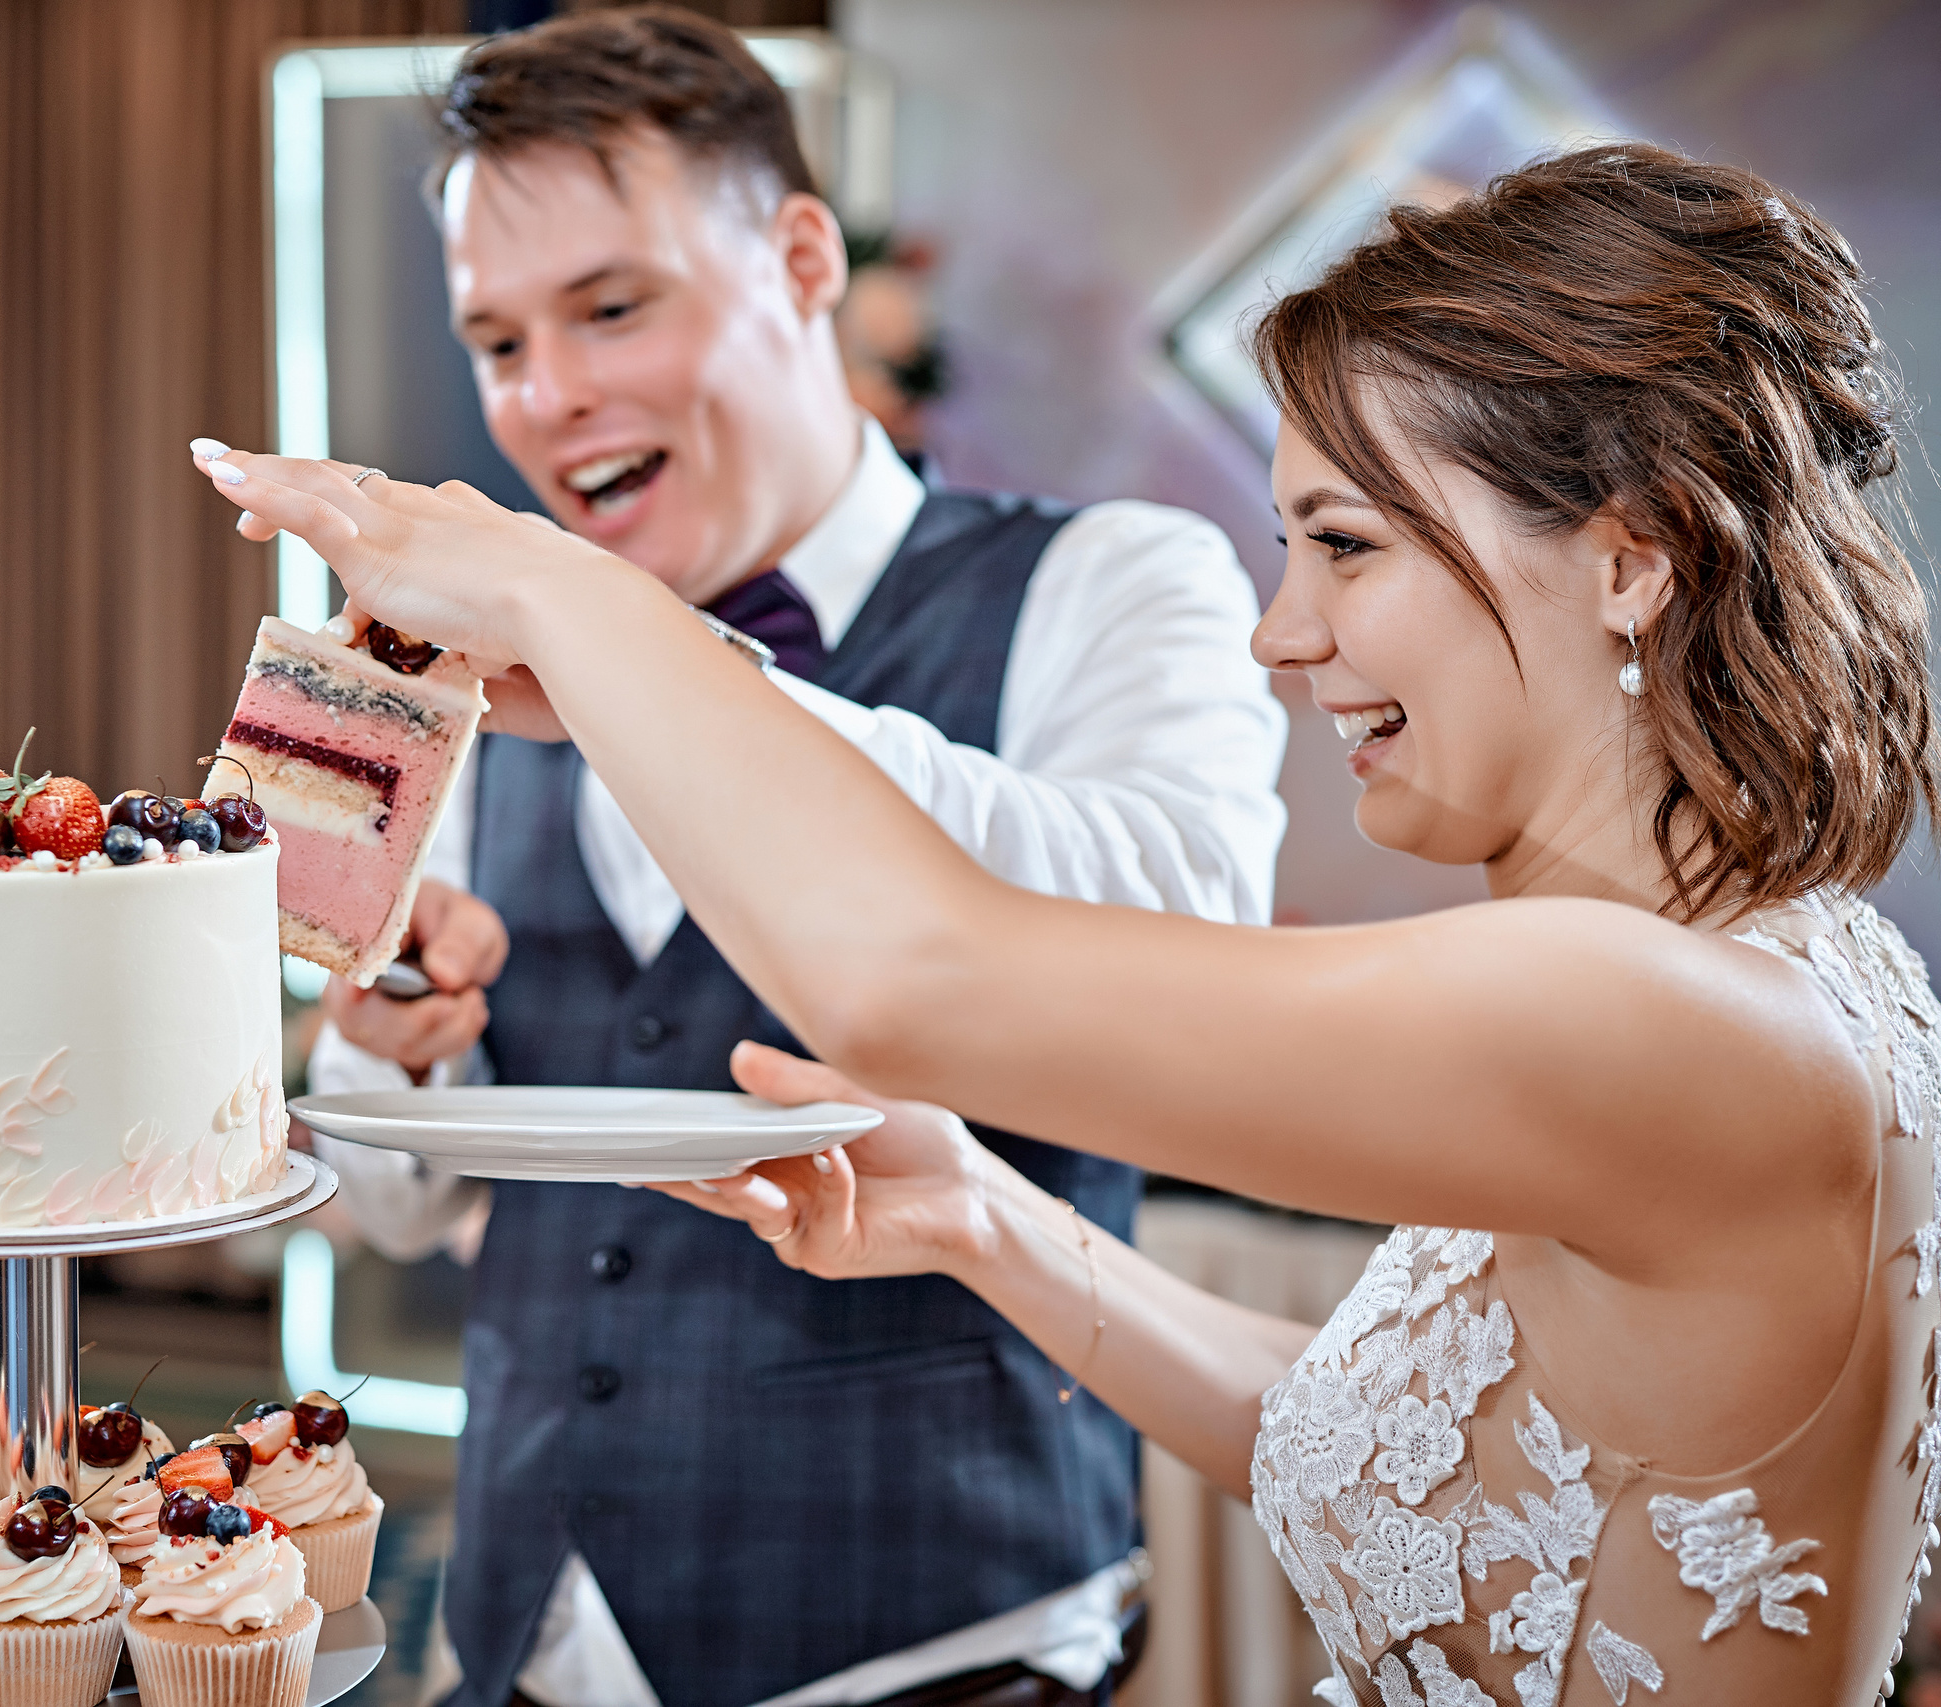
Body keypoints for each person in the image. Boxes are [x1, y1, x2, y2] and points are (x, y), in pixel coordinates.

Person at [194, 143, 1941, 1704]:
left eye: (1345, 546)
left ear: (1633, 557)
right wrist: (989, 1224)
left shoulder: (1661, 1021)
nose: (1281, 634)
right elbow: (1406, 1454)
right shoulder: (1782, 966)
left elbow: (908, 975)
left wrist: (568, 595)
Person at [229, 10, 1285, 1706]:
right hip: (521, 1635)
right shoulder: (496, 664)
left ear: (802, 259)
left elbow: (1186, 953)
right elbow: (402, 1207)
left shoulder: (1116, 577)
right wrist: (389, 1038)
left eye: (612, 308)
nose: (546, 396)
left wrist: (650, 661)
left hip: (934, 1645)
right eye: (496, 339)